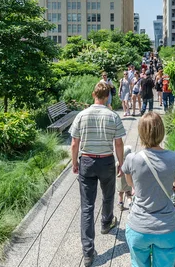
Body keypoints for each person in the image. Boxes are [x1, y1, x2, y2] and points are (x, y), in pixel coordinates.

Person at [70, 82, 126, 267]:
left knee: (87, 206)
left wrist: (74, 162)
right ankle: (106, 222)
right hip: (106, 160)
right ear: (108, 96)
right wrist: (121, 163)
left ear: (93, 93)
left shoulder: (81, 115)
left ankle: (87, 252)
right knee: (108, 195)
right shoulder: (112, 116)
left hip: (86, 160)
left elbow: (74, 143)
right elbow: (118, 143)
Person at [122, 112, 175, 267]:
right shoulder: (174, 157)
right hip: (167, 229)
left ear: (141, 133)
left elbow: (130, 184)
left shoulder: (132, 159)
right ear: (161, 132)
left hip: (139, 227)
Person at [118, 145, 134, 210]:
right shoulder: (131, 164)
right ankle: (130, 205)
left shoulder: (118, 163)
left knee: (120, 194)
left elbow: (116, 173)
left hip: (120, 182)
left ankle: (120, 204)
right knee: (128, 195)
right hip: (128, 182)